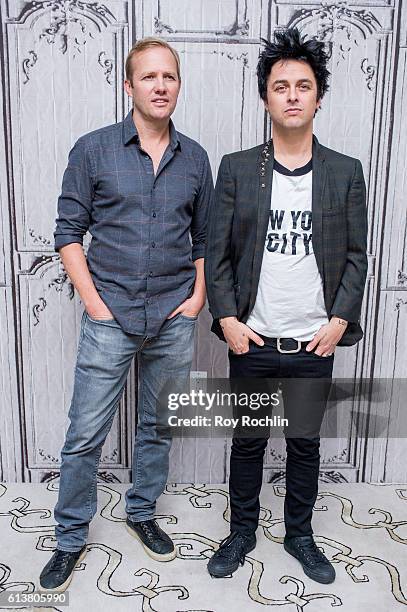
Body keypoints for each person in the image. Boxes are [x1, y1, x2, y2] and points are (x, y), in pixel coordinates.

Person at [39, 37, 213, 592]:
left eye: (170, 77)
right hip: (109, 313)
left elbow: (206, 236)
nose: (161, 86)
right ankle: (69, 538)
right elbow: (68, 232)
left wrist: (198, 296)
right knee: (85, 433)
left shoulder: (196, 158)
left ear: (178, 85)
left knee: (157, 426)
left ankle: (141, 513)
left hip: (173, 314)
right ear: (129, 85)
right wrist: (95, 304)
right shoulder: (93, 149)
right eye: (150, 77)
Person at [204, 27, 368, 584]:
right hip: (251, 338)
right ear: (266, 97)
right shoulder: (236, 168)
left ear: (319, 96)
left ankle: (300, 535)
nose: (293, 95)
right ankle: (241, 532)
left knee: (303, 443)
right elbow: (217, 251)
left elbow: (355, 256)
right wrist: (226, 318)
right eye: (281, 86)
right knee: (248, 443)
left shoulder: (344, 172)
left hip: (311, 342)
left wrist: (338, 321)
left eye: (304, 85)